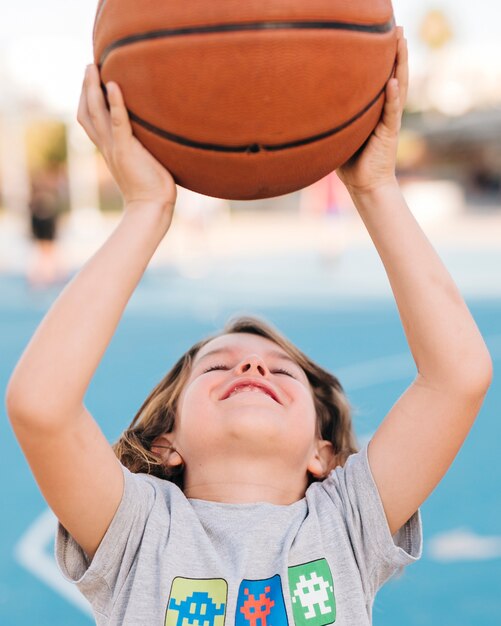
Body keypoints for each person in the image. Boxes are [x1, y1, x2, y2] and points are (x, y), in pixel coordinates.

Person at [6, 29, 492, 626]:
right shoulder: (138, 532)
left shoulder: (345, 522)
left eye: (279, 370)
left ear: (323, 453)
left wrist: (374, 187)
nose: (253, 366)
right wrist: (146, 210)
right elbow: (40, 404)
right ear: (166, 444)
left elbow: (457, 376)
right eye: (218, 366)